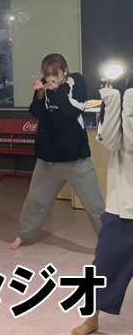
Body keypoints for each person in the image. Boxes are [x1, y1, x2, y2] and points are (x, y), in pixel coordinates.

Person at [9, 53, 105, 250]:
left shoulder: (76, 82)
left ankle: (109, 245)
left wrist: (57, 90)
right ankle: (23, 235)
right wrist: (39, 93)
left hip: (76, 158)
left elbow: (73, 110)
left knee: (95, 205)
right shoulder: (44, 85)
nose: (50, 79)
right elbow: (37, 112)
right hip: (48, 157)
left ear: (65, 71)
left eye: (54, 74)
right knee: (35, 200)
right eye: (47, 75)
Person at [71, 79, 133, 335]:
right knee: (104, 264)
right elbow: (110, 141)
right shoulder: (123, 99)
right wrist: (112, 99)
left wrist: (127, 99)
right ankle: (92, 318)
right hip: (121, 207)